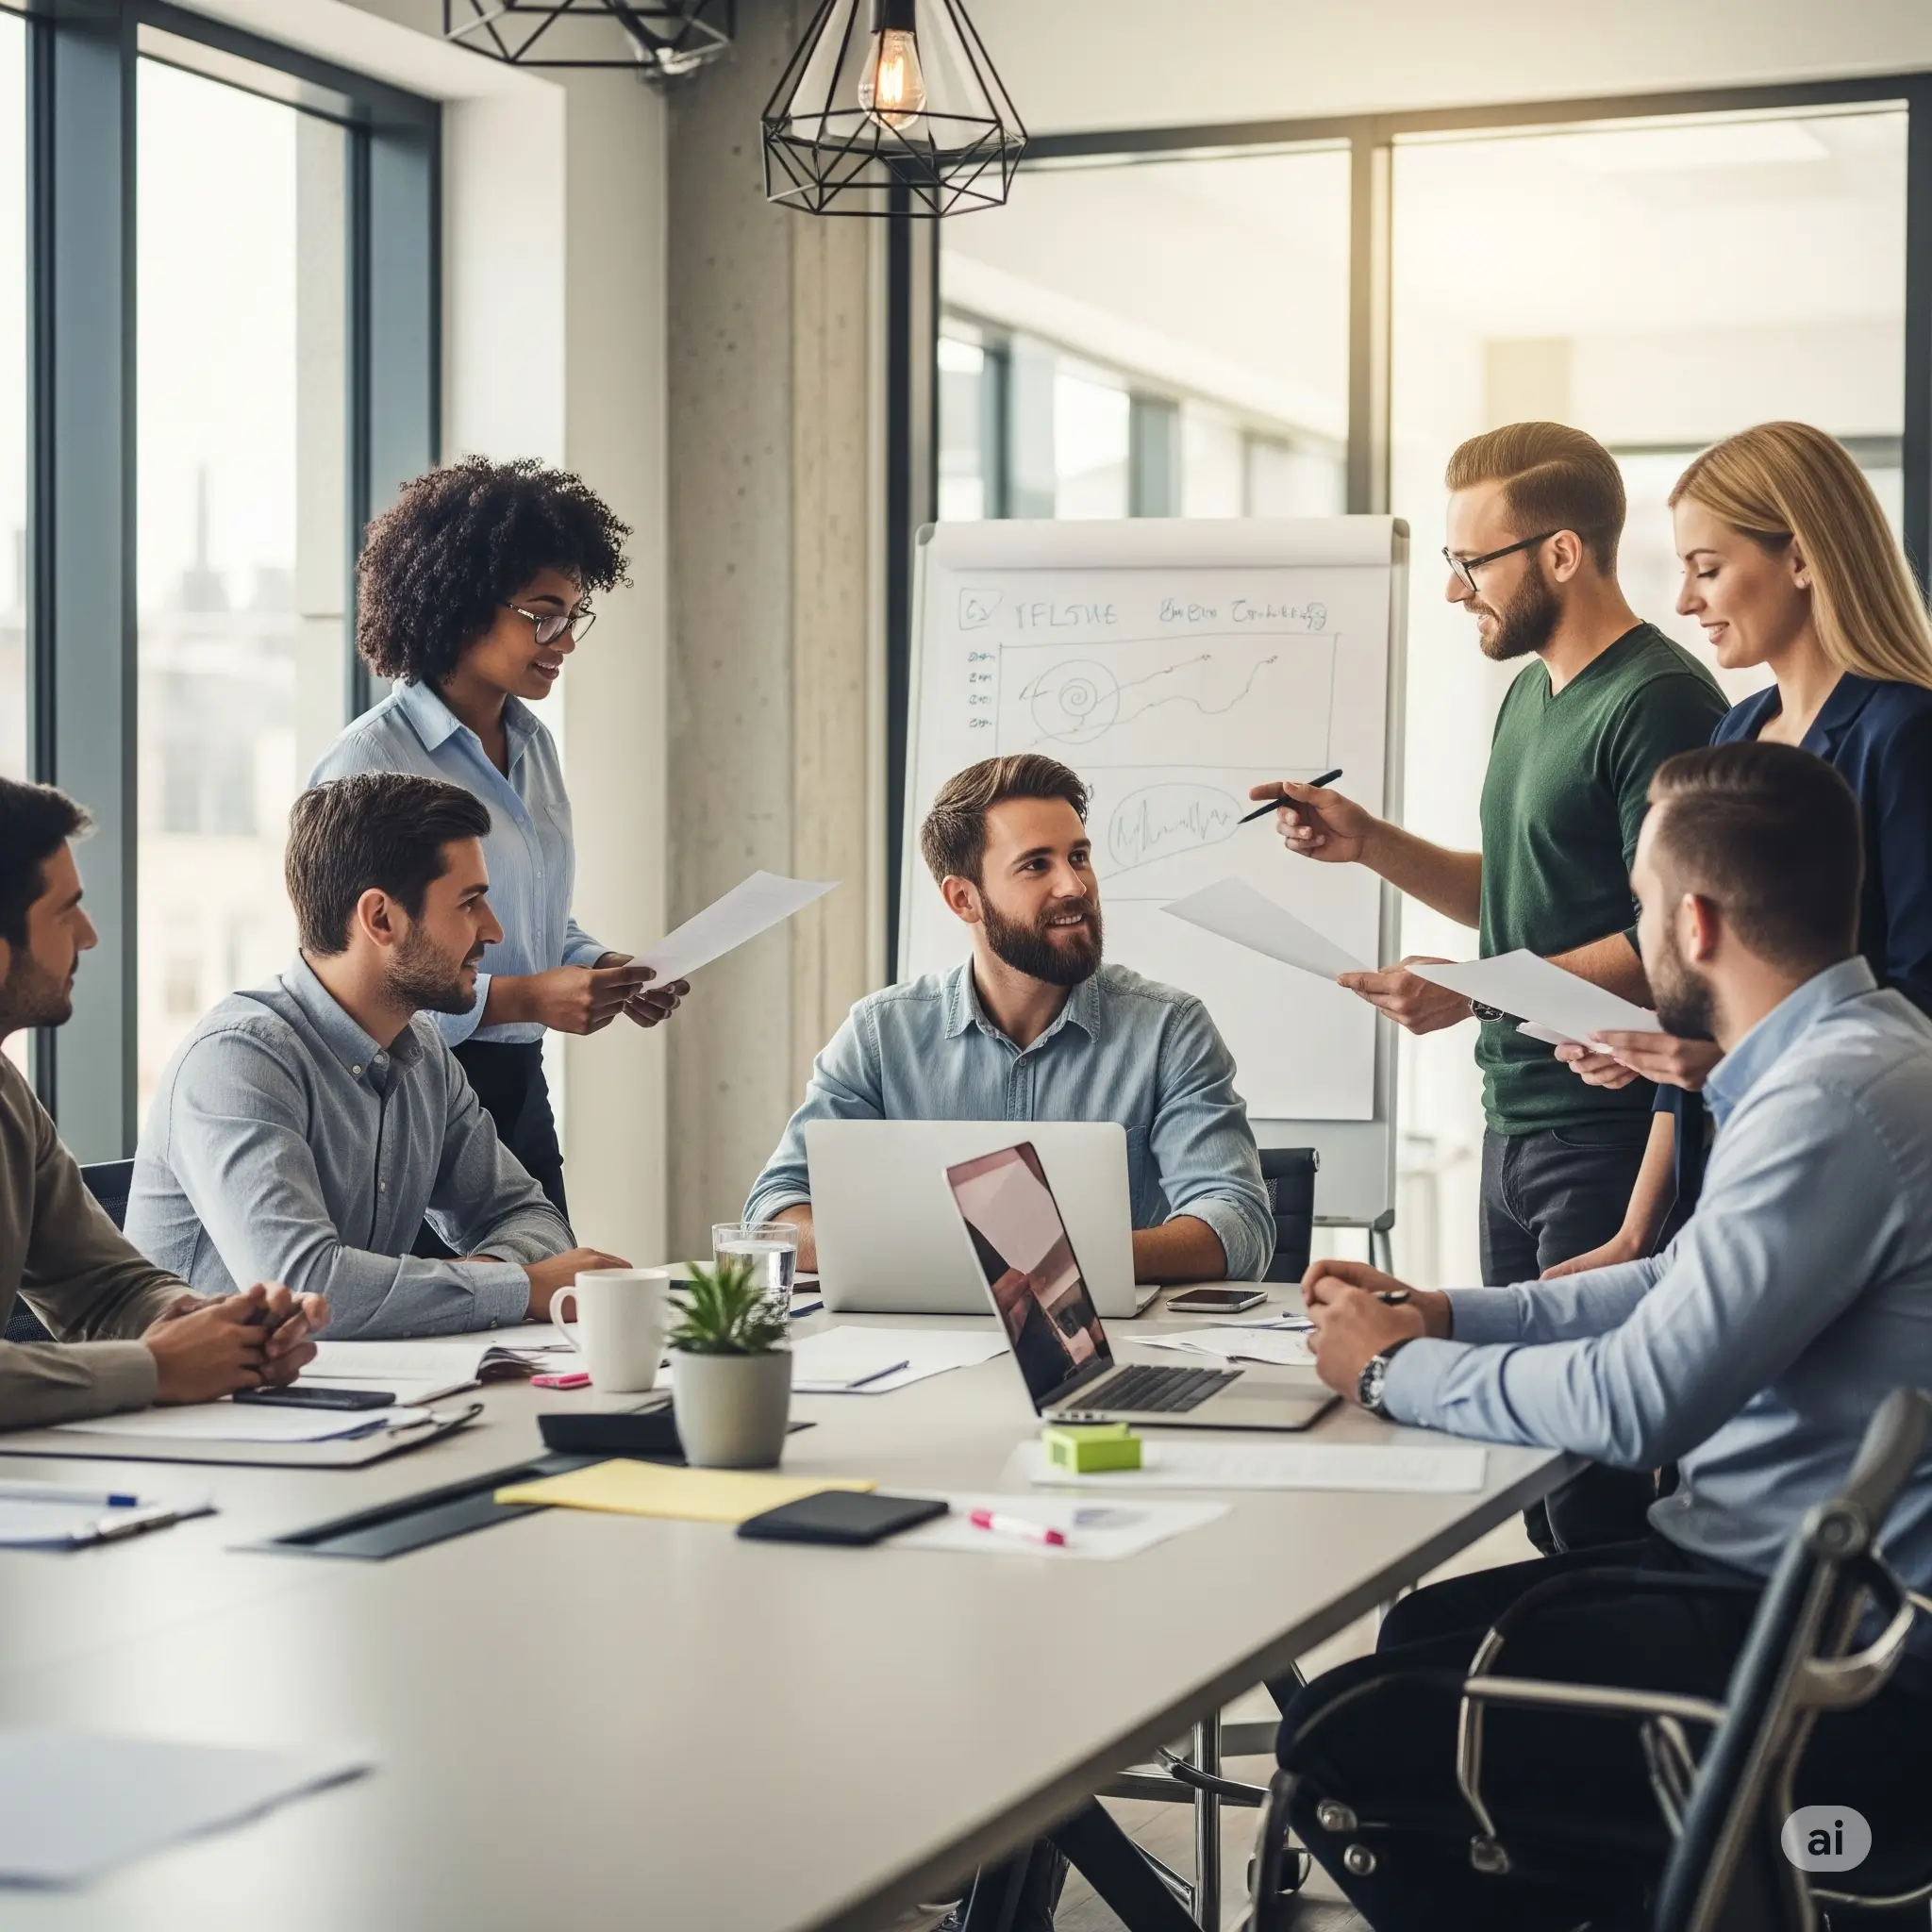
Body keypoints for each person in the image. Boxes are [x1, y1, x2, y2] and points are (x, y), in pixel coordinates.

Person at [1287, 741, 1932, 1930]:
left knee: (1342, 1731)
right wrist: (1438, 1312)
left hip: (1814, 1653)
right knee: (1420, 1631)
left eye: (1633, 908)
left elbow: (1641, 1402)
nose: (1630, 938)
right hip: (1775, 1592)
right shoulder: (1846, 1060)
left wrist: (1389, 1367)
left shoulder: (1826, 1103)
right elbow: (1658, 1284)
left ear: (1692, 923)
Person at [1251, 422, 1727, 1290]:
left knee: (1575, 1412)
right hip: (1512, 1129)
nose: (1450, 588)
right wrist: (1370, 842)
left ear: (1562, 554)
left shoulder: (1659, 703)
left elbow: (1677, 939)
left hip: (1609, 1130)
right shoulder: (1530, 692)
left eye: (1471, 563)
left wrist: (1474, 993)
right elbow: (1521, 890)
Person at [1550, 421, 1932, 1274]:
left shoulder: (1903, 736)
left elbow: (1915, 1007)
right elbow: (1703, 1020)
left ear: (1800, 559)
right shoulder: (1736, 733)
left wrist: (1722, 1060)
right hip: (1717, 1186)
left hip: (1843, 1184)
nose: (1685, 602)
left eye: (1708, 569)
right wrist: (1636, 1232)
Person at [309, 457, 687, 1221]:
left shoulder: (533, 745)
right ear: (461, 601)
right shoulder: (371, 763)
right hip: (403, 1091)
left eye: (573, 617)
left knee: (552, 1299)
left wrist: (599, 966)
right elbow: (348, 971)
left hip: (518, 1083)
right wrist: (519, 999)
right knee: (444, 1319)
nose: (564, 642)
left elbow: (528, 915)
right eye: (543, 615)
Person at [126, 774, 627, 1339]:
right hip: (209, 1417)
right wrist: (521, 1285)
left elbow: (529, 1218)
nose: (493, 928)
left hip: (351, 1392)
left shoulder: (424, 1053)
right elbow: (308, 1289)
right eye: (469, 903)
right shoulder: (238, 1062)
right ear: (381, 918)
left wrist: (488, 1274)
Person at [746, 753, 1274, 1289]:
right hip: (918, 1353)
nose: (1075, 886)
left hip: (1114, 1349)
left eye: (1079, 856)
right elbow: (774, 1213)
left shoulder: (1169, 1030)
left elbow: (1237, 1224)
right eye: (1036, 864)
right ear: (963, 899)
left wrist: (1052, 1263)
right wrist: (952, 1257)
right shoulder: (881, 1034)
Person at [0, 777, 325, 1427]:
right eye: (66, 912)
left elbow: (104, 1287)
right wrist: (154, 1370)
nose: (89, 937)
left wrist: (219, 1329)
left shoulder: (9, 1094)